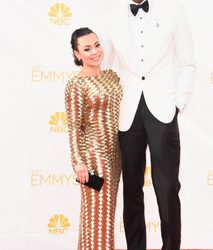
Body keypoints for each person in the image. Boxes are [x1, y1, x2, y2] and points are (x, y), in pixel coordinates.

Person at [100, 0, 196, 249]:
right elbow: (104, 65)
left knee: (167, 186)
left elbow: (187, 62)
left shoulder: (173, 11)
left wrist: (178, 103)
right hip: (127, 110)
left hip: (163, 110)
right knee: (131, 186)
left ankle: (171, 246)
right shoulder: (110, 17)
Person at [65, 27, 123, 250]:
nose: (95, 51)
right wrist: (77, 161)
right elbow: (73, 127)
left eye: (97, 45)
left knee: (101, 215)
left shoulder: (111, 76)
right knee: (99, 217)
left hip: (115, 156)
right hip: (93, 158)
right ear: (77, 55)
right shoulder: (76, 85)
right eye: (87, 48)